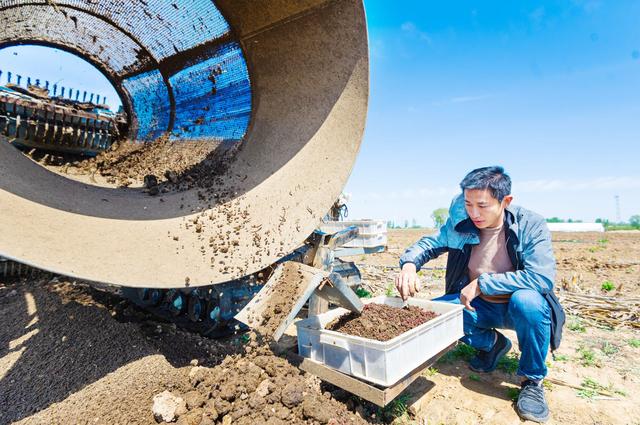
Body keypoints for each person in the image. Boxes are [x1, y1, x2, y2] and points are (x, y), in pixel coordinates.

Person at [395, 166, 564, 423]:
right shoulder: (462, 222)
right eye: (468, 204)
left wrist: (484, 283)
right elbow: (431, 242)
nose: (474, 213)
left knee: (527, 301)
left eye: (482, 206)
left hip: (517, 305)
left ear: (505, 201)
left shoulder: (530, 225)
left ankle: (532, 380)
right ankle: (492, 345)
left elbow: (541, 278)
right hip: (477, 304)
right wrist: (409, 265)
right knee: (432, 315)